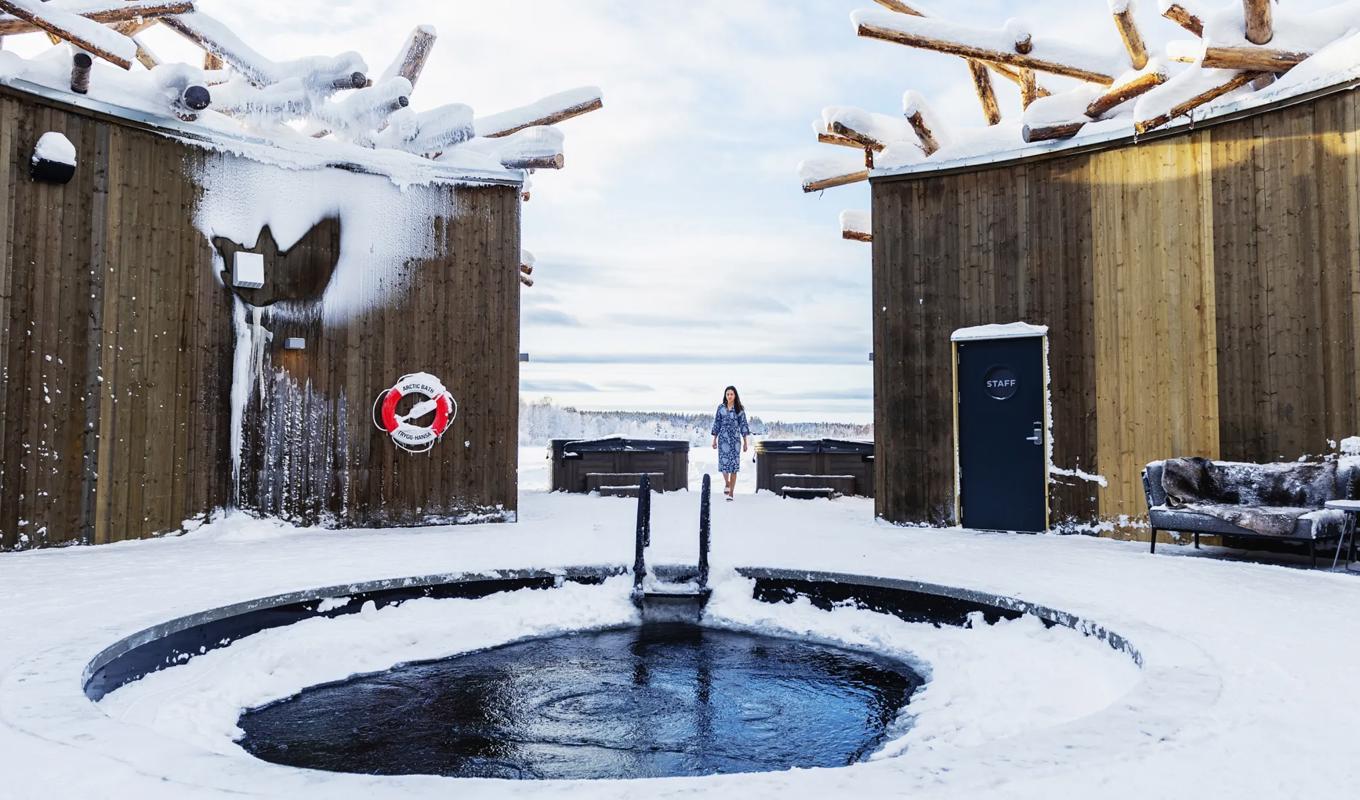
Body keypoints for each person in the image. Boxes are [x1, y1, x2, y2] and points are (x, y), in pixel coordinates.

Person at [710, 385, 750, 500]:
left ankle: (731, 492)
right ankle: (727, 483)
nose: (729, 396)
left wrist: (746, 442)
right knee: (724, 464)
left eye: (731, 394)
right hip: (723, 439)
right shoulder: (721, 408)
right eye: (727, 394)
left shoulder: (739, 409)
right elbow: (717, 423)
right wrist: (714, 439)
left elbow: (743, 425)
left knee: (734, 466)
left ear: (735, 395)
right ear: (725, 395)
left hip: (735, 440)